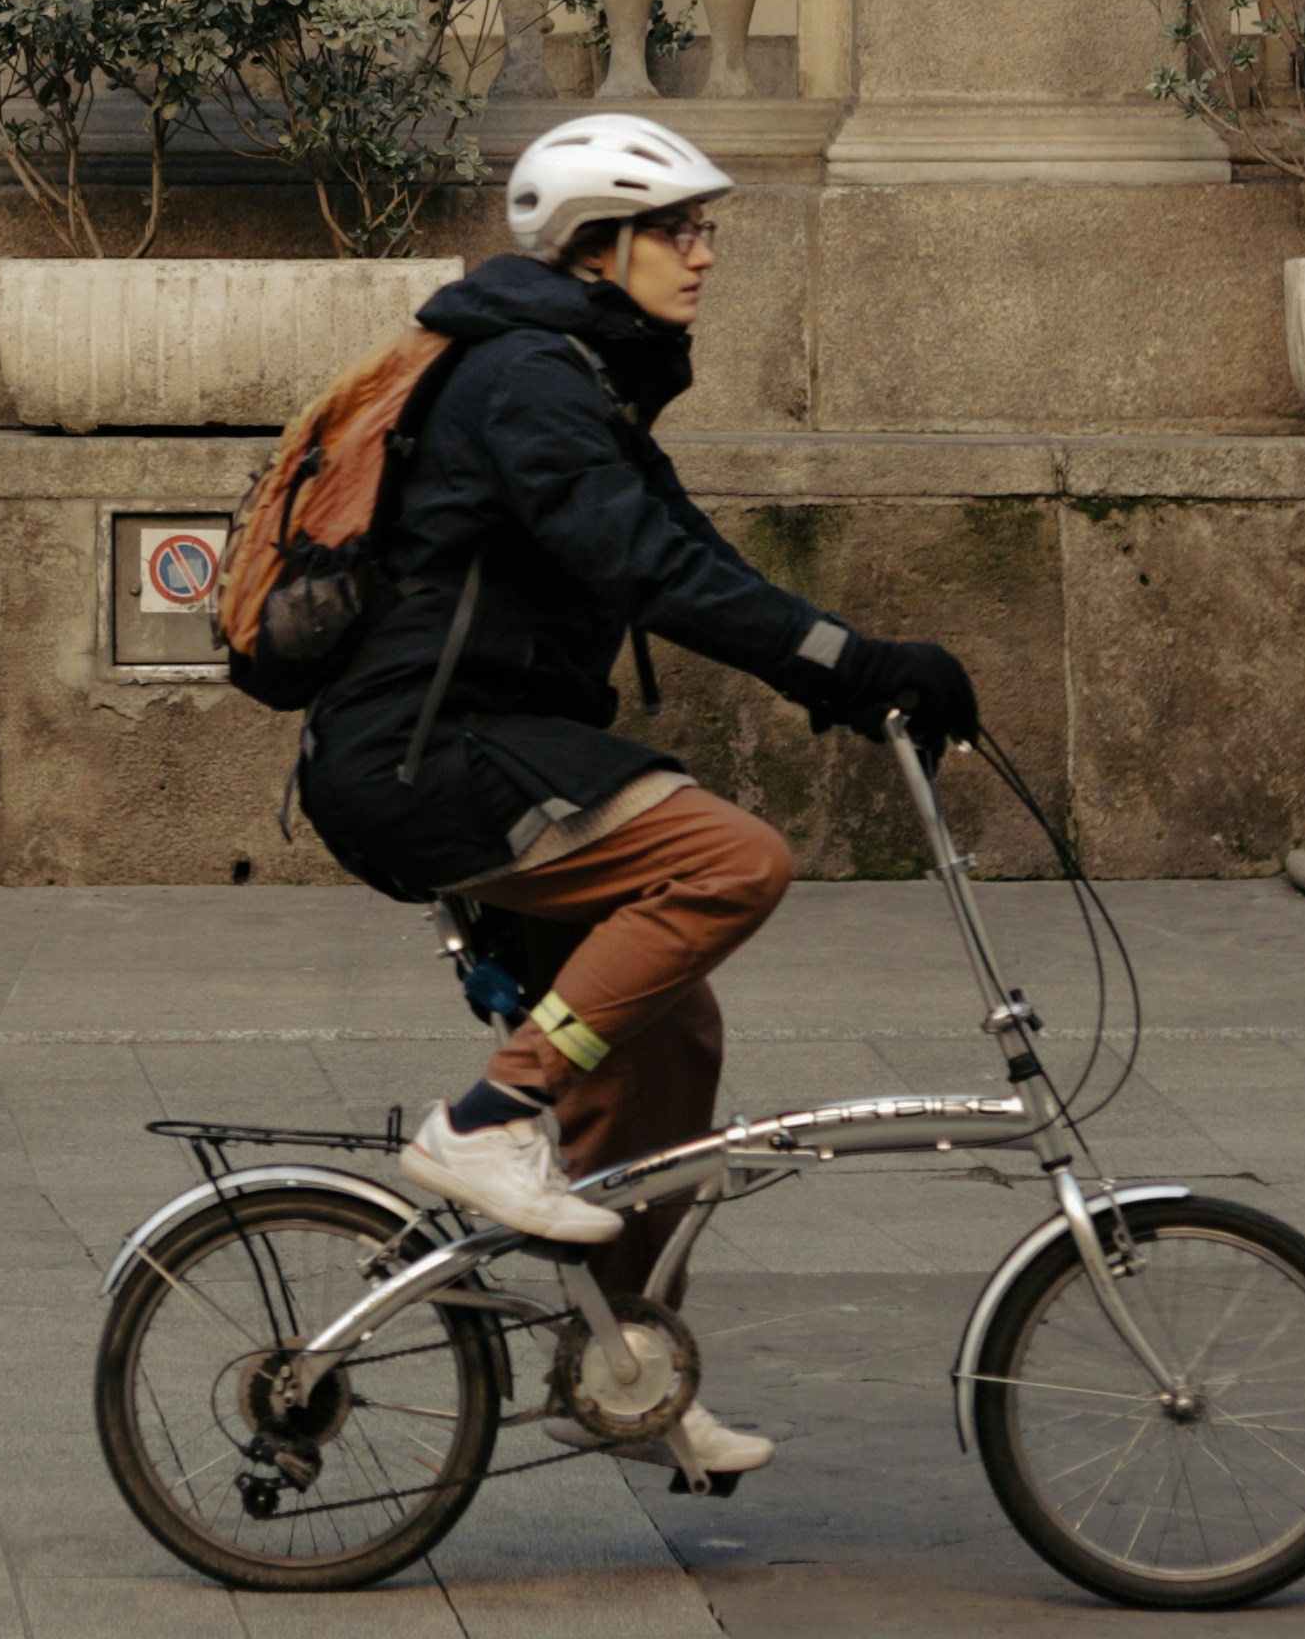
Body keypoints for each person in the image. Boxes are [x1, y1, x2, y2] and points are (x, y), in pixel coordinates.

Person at [290, 113, 986, 1483]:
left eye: (704, 228)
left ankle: (625, 1371)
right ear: (596, 250)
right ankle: (487, 1124)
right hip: (427, 755)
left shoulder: (579, 375)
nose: (706, 253)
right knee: (730, 861)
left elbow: (685, 551)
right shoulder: (525, 381)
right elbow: (650, 572)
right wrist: (849, 662)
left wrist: (847, 672)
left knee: (666, 1049)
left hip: (490, 742)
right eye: (680, 229)